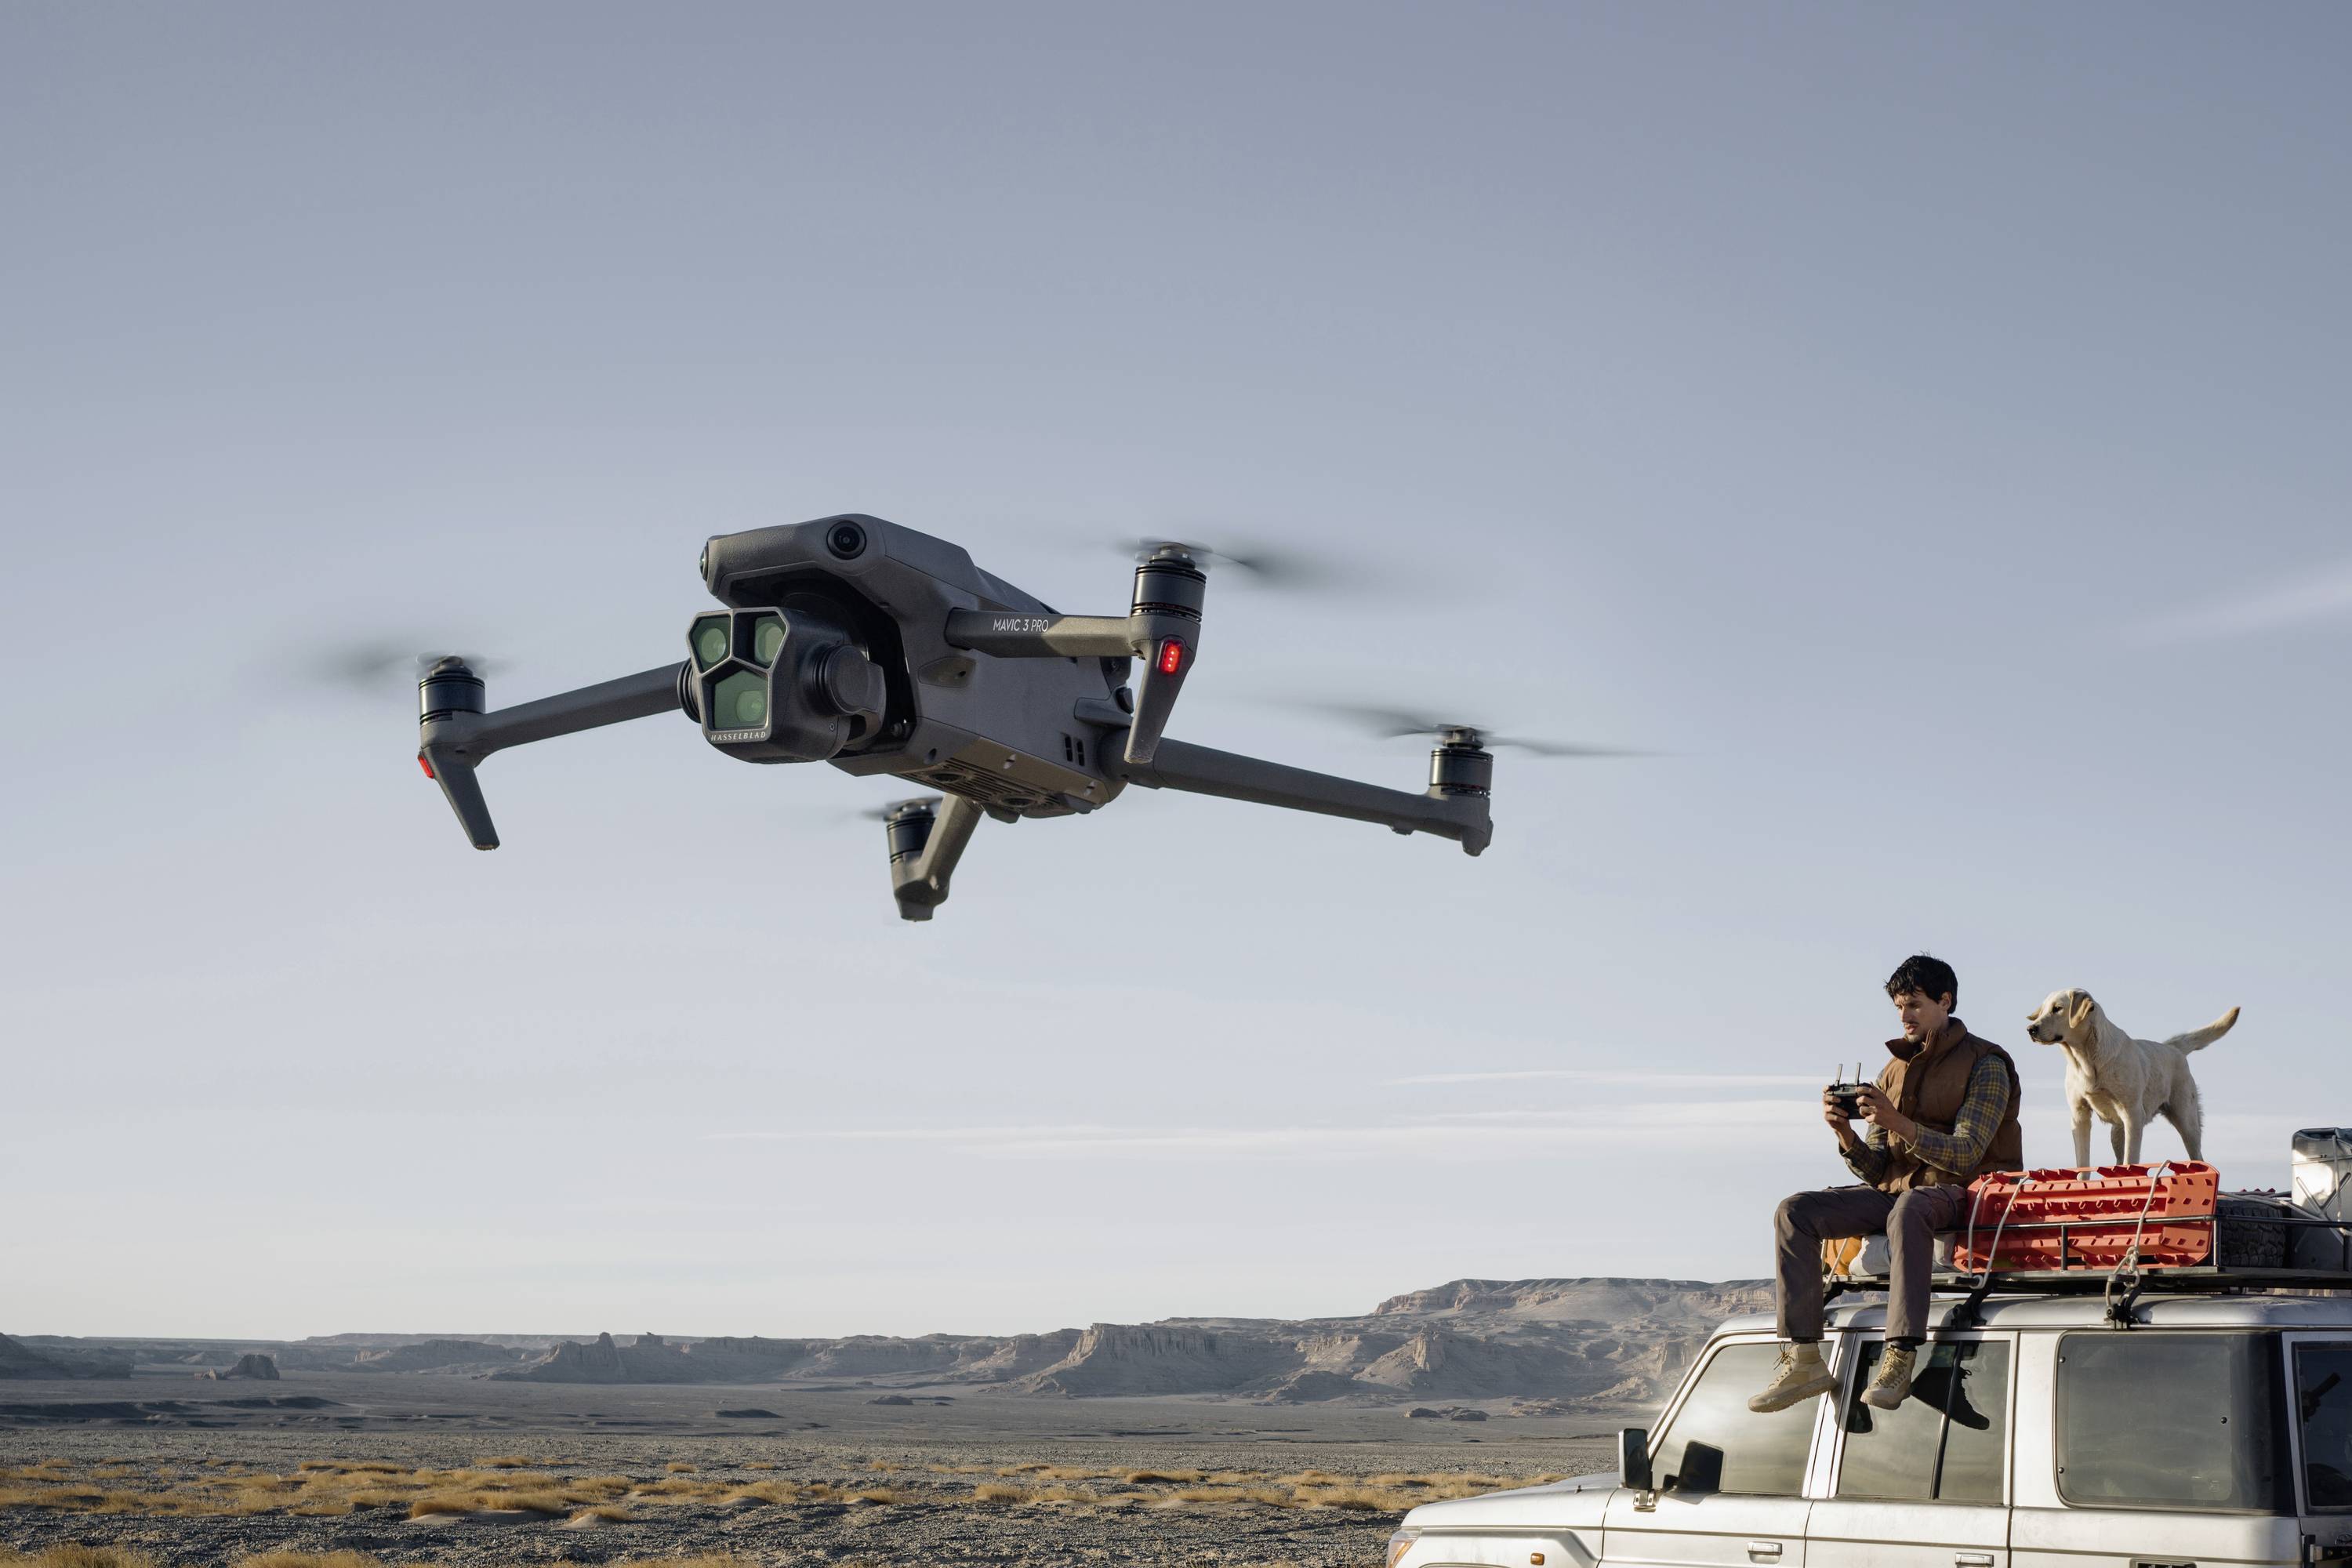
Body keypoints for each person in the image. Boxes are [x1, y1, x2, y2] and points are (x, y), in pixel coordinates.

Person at [1748, 953, 2024, 1414]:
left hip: (1969, 1195)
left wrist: (1898, 1121)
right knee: (1796, 1211)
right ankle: (1805, 1359)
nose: (1904, 1016)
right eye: (1899, 1006)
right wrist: (1845, 1134)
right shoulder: (1891, 1071)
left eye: (1914, 1004)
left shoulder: (1987, 1063)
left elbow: (1967, 1153)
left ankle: (1900, 1356)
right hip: (1898, 1194)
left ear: (1945, 1001)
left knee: (1909, 1208)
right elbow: (1878, 1170)